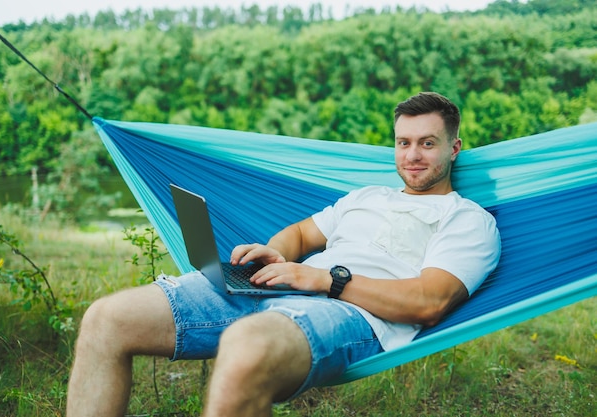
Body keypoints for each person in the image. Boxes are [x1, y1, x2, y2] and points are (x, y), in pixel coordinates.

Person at [66, 92, 501, 417]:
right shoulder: (365, 196)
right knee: (106, 319)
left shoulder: (467, 219)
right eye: (403, 143)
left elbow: (429, 302)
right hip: (277, 288)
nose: (412, 155)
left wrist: (328, 280)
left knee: (245, 344)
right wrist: (275, 253)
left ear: (454, 148)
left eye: (427, 143)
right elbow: (300, 233)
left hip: (354, 315)